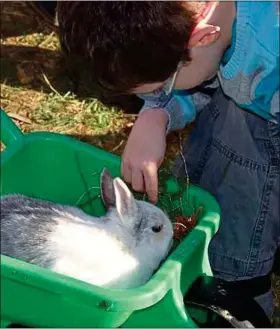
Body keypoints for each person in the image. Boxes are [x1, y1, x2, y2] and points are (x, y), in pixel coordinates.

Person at [56, 1, 279, 319]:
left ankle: (242, 291)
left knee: (240, 188)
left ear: (202, 37)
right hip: (250, 107)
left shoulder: (271, 48)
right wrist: (158, 113)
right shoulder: (208, 27)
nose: (156, 95)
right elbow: (202, 76)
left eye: (161, 88)